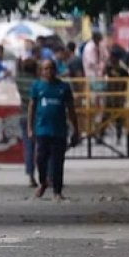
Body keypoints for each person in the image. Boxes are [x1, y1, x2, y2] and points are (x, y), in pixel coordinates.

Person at [28, 59, 80, 201]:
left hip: (59, 131)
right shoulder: (37, 86)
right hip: (42, 129)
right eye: (45, 69)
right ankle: (43, 182)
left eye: (51, 68)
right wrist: (30, 128)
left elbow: (71, 110)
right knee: (40, 159)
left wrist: (76, 130)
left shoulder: (63, 87)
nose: (48, 71)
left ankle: (57, 190)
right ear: (41, 71)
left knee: (58, 162)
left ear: (55, 70)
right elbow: (32, 108)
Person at [16, 58, 39, 187]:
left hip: (24, 116)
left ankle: (31, 176)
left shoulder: (19, 81)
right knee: (42, 147)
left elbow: (17, 73)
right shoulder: (38, 83)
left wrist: (19, 66)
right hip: (38, 117)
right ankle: (47, 175)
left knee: (28, 148)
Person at [102, 47, 129, 144]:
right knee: (105, 116)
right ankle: (100, 135)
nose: (111, 59)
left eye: (113, 57)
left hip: (118, 96)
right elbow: (103, 75)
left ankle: (118, 137)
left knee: (118, 118)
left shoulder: (122, 69)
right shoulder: (108, 67)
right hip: (110, 95)